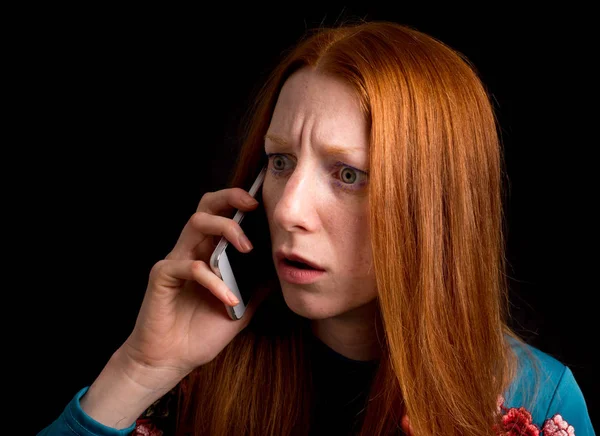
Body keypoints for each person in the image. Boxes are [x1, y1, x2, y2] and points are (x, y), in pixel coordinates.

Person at [38, 20, 595, 436]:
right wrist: (141, 369)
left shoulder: (536, 403)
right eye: (279, 162)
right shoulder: (192, 368)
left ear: (435, 208)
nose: (287, 211)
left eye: (348, 173)